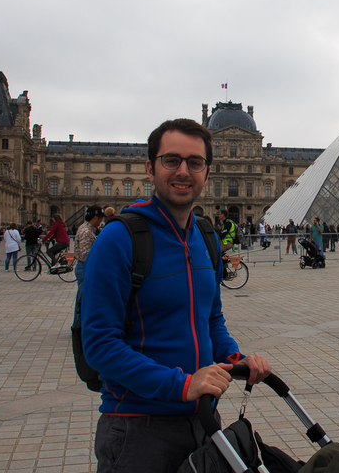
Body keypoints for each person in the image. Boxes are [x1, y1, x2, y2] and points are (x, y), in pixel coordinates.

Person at [81, 118, 271, 472]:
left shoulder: (206, 238)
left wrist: (235, 358)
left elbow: (210, 318)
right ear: (150, 169)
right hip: (138, 428)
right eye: (172, 160)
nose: (183, 171)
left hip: (202, 420)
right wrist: (182, 385)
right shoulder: (119, 239)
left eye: (194, 163)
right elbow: (100, 344)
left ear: (207, 172)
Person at [73, 205, 104, 325]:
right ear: (95, 217)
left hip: (84, 267)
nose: (101, 221)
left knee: (82, 297)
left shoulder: (86, 229)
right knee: (83, 298)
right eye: (101, 218)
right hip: (85, 268)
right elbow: (86, 254)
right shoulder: (86, 232)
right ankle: (78, 325)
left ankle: (79, 323)